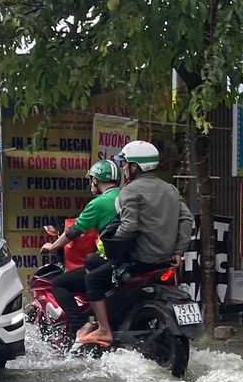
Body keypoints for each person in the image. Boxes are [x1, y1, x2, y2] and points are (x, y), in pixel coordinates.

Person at [77, 139, 196, 349]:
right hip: (165, 261)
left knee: (93, 280)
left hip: (140, 261)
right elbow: (187, 220)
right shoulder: (170, 189)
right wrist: (179, 250)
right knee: (94, 262)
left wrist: (112, 245)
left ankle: (104, 329)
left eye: (124, 163)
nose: (122, 167)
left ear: (134, 166)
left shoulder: (130, 191)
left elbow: (129, 227)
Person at [42, 159, 121, 326]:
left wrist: (53, 246)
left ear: (96, 180)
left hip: (109, 262)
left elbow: (74, 230)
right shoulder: (127, 196)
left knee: (58, 284)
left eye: (91, 179)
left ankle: (80, 327)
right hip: (129, 260)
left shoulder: (99, 203)